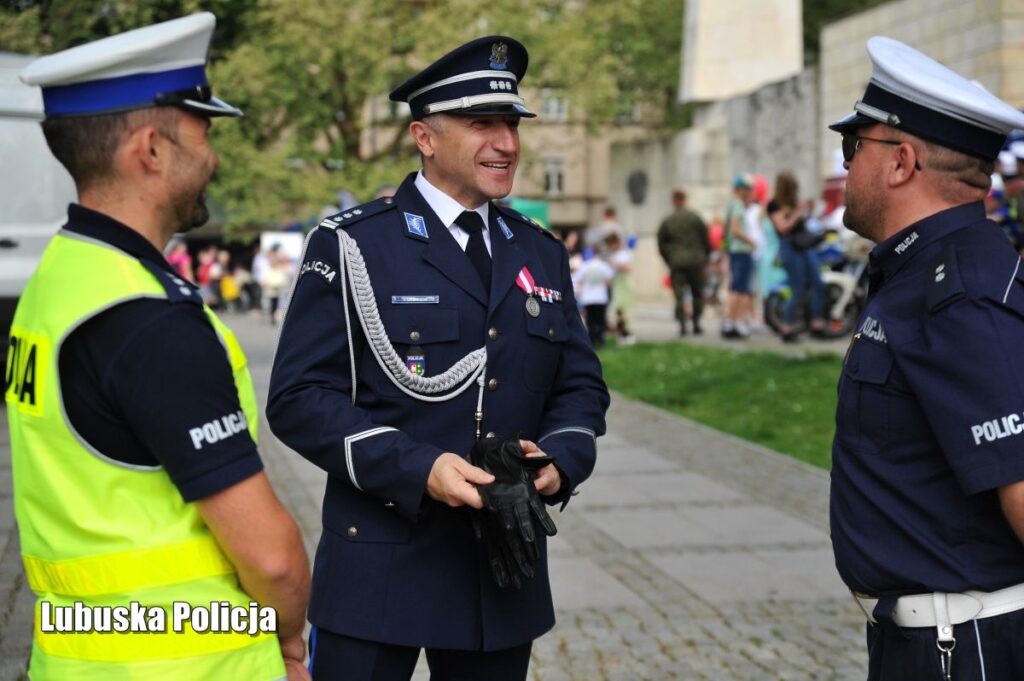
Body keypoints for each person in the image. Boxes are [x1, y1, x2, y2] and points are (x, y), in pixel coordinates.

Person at [266, 35, 609, 681]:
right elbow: (299, 398)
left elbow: (581, 387)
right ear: (425, 137)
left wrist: (561, 460)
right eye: (482, 124)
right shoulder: (354, 244)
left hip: (499, 571)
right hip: (381, 564)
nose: (506, 142)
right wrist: (419, 468)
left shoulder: (540, 252)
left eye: (510, 123)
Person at [6, 14, 310, 680]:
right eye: (202, 130)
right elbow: (273, 557)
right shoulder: (148, 318)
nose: (214, 156)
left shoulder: (59, 279)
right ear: (150, 148)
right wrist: (290, 638)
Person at [828, 37, 1024, 680]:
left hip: (963, 646)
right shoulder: (927, 270)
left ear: (900, 161)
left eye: (853, 146)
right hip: (932, 639)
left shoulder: (959, 293)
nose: (845, 165)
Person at [766, 171, 826, 342]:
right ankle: (786, 328)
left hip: (804, 246)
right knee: (797, 289)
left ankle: (817, 322)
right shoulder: (774, 205)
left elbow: (805, 222)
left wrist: (808, 210)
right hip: (789, 248)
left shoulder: (794, 202)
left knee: (818, 283)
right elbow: (783, 228)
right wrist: (798, 211)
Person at [657, 189, 710, 335]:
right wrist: (706, 257)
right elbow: (706, 239)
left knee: (679, 294)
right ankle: (696, 323)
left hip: (677, 261)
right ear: (685, 200)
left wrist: (668, 258)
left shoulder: (668, 221)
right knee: (697, 293)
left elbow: (661, 243)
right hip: (696, 261)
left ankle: (682, 324)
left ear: (673, 201)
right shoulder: (695, 218)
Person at [722, 174, 757, 338]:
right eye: (747, 189)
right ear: (740, 189)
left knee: (736, 287)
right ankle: (734, 321)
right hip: (741, 251)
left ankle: (731, 321)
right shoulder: (737, 206)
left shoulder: (734, 205)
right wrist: (751, 241)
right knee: (740, 288)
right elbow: (735, 229)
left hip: (736, 251)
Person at [573, 247, 616, 347]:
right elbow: (609, 281)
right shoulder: (603, 265)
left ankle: (592, 339)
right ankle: (600, 339)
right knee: (600, 319)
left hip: (588, 298)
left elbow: (578, 281)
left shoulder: (584, 266)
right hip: (600, 297)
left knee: (591, 320)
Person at [605, 232, 636, 344]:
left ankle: (627, 334)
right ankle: (623, 333)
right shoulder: (614, 255)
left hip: (623, 284)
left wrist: (615, 265)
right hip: (617, 284)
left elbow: (627, 267)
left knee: (623, 311)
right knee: (619, 311)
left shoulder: (623, 254)